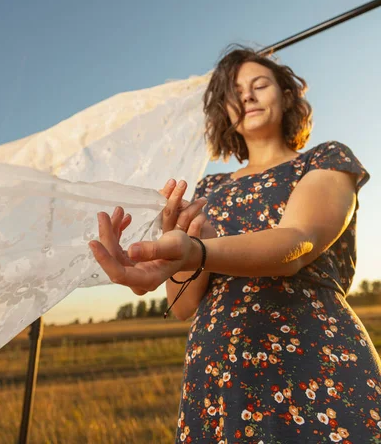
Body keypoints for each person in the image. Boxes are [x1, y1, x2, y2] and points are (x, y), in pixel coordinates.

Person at [89, 45, 381, 443]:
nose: (246, 95)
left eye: (259, 84)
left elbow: (296, 242)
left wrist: (201, 251)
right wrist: (172, 258)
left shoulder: (325, 160)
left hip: (315, 352)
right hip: (220, 368)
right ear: (225, 111)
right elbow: (186, 305)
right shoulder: (208, 188)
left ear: (287, 95)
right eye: (235, 91)